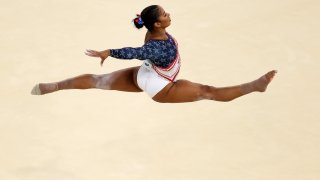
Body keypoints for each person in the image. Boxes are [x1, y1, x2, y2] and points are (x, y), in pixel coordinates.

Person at [31, 5, 277, 103]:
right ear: (157, 24)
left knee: (98, 81)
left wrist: (110, 52)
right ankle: (254, 86)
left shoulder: (152, 32)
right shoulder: (158, 46)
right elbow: (136, 52)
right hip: (161, 86)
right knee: (207, 91)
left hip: (145, 74)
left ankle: (50, 87)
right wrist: (111, 51)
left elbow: (140, 50)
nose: (169, 15)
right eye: (165, 15)